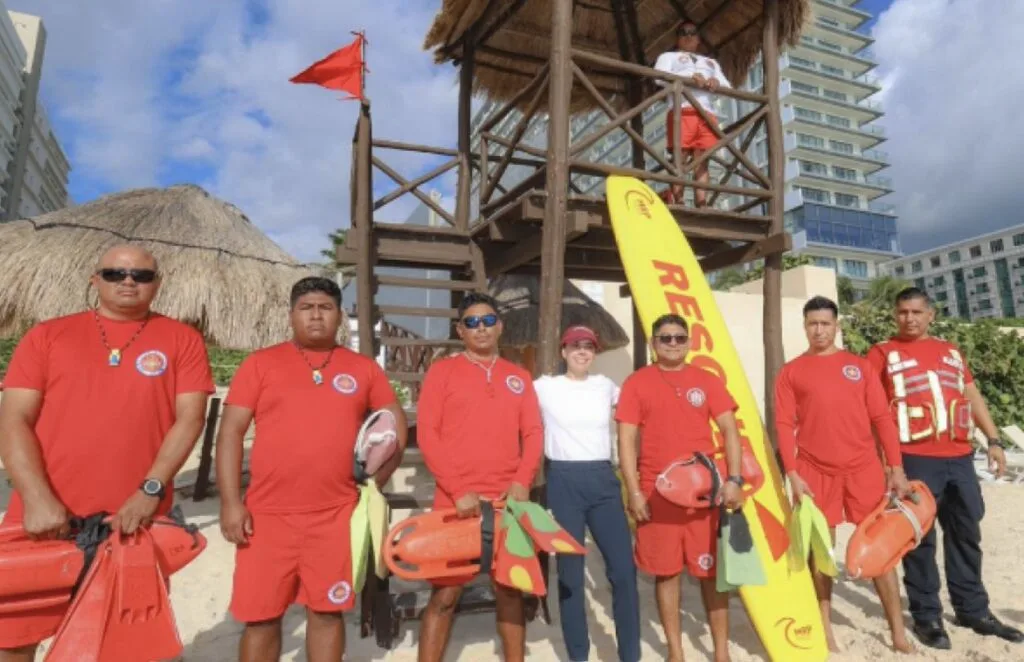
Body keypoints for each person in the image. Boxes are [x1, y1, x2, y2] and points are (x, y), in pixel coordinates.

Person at [0, 244, 214, 661]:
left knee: (122, 645)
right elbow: (13, 420)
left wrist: (150, 489)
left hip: (133, 522)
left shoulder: (182, 340)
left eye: (141, 275)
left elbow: (189, 420)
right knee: (15, 640)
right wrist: (37, 497)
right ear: (94, 278)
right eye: (115, 273)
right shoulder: (47, 335)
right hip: (41, 516)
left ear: (158, 284)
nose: (128, 281)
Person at [216, 276, 407, 662]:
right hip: (266, 518)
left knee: (326, 611)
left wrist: (373, 484)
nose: (316, 315)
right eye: (307, 307)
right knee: (262, 618)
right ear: (291, 315)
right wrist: (231, 502)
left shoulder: (362, 368)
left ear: (340, 317)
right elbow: (231, 433)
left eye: (326, 307)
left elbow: (395, 427)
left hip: (336, 516)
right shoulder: (260, 364)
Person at [865, 287, 1023, 650]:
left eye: (917, 312)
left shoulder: (950, 352)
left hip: (959, 456)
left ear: (931, 315)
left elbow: (970, 393)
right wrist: (889, 464)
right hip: (913, 457)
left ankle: (973, 610)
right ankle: (927, 616)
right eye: (903, 312)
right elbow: (870, 409)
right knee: (917, 538)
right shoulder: (881, 354)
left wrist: (994, 440)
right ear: (895, 315)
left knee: (967, 531)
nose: (909, 318)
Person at [774, 295, 914, 654]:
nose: (819, 330)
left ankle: (897, 631)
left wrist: (895, 468)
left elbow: (882, 418)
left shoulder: (859, 366)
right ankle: (825, 629)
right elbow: (783, 423)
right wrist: (792, 472)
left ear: (837, 325)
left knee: (880, 550)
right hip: (814, 471)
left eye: (825, 323)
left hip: (863, 469)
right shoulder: (791, 372)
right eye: (812, 323)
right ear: (804, 326)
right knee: (821, 553)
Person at [415, 292, 544, 662]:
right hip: (456, 501)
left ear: (500, 325)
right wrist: (457, 489)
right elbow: (427, 434)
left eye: (488, 320)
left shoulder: (519, 377)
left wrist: (523, 481)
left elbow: (533, 433)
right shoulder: (442, 372)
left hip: (509, 501)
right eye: (472, 322)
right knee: (445, 594)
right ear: (460, 330)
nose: (481, 328)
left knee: (509, 590)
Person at [616, 313, 745, 662]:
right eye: (665, 338)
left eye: (678, 337)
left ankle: (721, 652)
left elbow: (730, 431)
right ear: (654, 343)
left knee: (711, 574)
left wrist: (734, 479)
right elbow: (625, 441)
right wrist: (634, 491)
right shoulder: (636, 383)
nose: (672, 343)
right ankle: (676, 651)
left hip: (704, 494)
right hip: (656, 494)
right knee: (665, 572)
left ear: (689, 342)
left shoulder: (707, 380)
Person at [533, 325, 641, 662]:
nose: (583, 352)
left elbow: (638, 416)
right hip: (564, 481)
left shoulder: (606, 386)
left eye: (589, 347)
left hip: (603, 480)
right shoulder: (543, 387)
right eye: (575, 346)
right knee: (571, 575)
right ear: (563, 351)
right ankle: (578, 655)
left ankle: (630, 655)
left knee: (623, 571)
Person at [653, 21, 732, 208]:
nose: (688, 36)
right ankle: (678, 199)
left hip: (707, 114)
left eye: (693, 32)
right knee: (680, 157)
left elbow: (727, 86)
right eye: (683, 32)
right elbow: (658, 77)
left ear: (698, 39)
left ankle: (702, 201)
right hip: (682, 110)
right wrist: (688, 79)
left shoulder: (711, 62)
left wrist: (715, 82)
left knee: (703, 159)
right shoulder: (668, 56)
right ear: (677, 38)